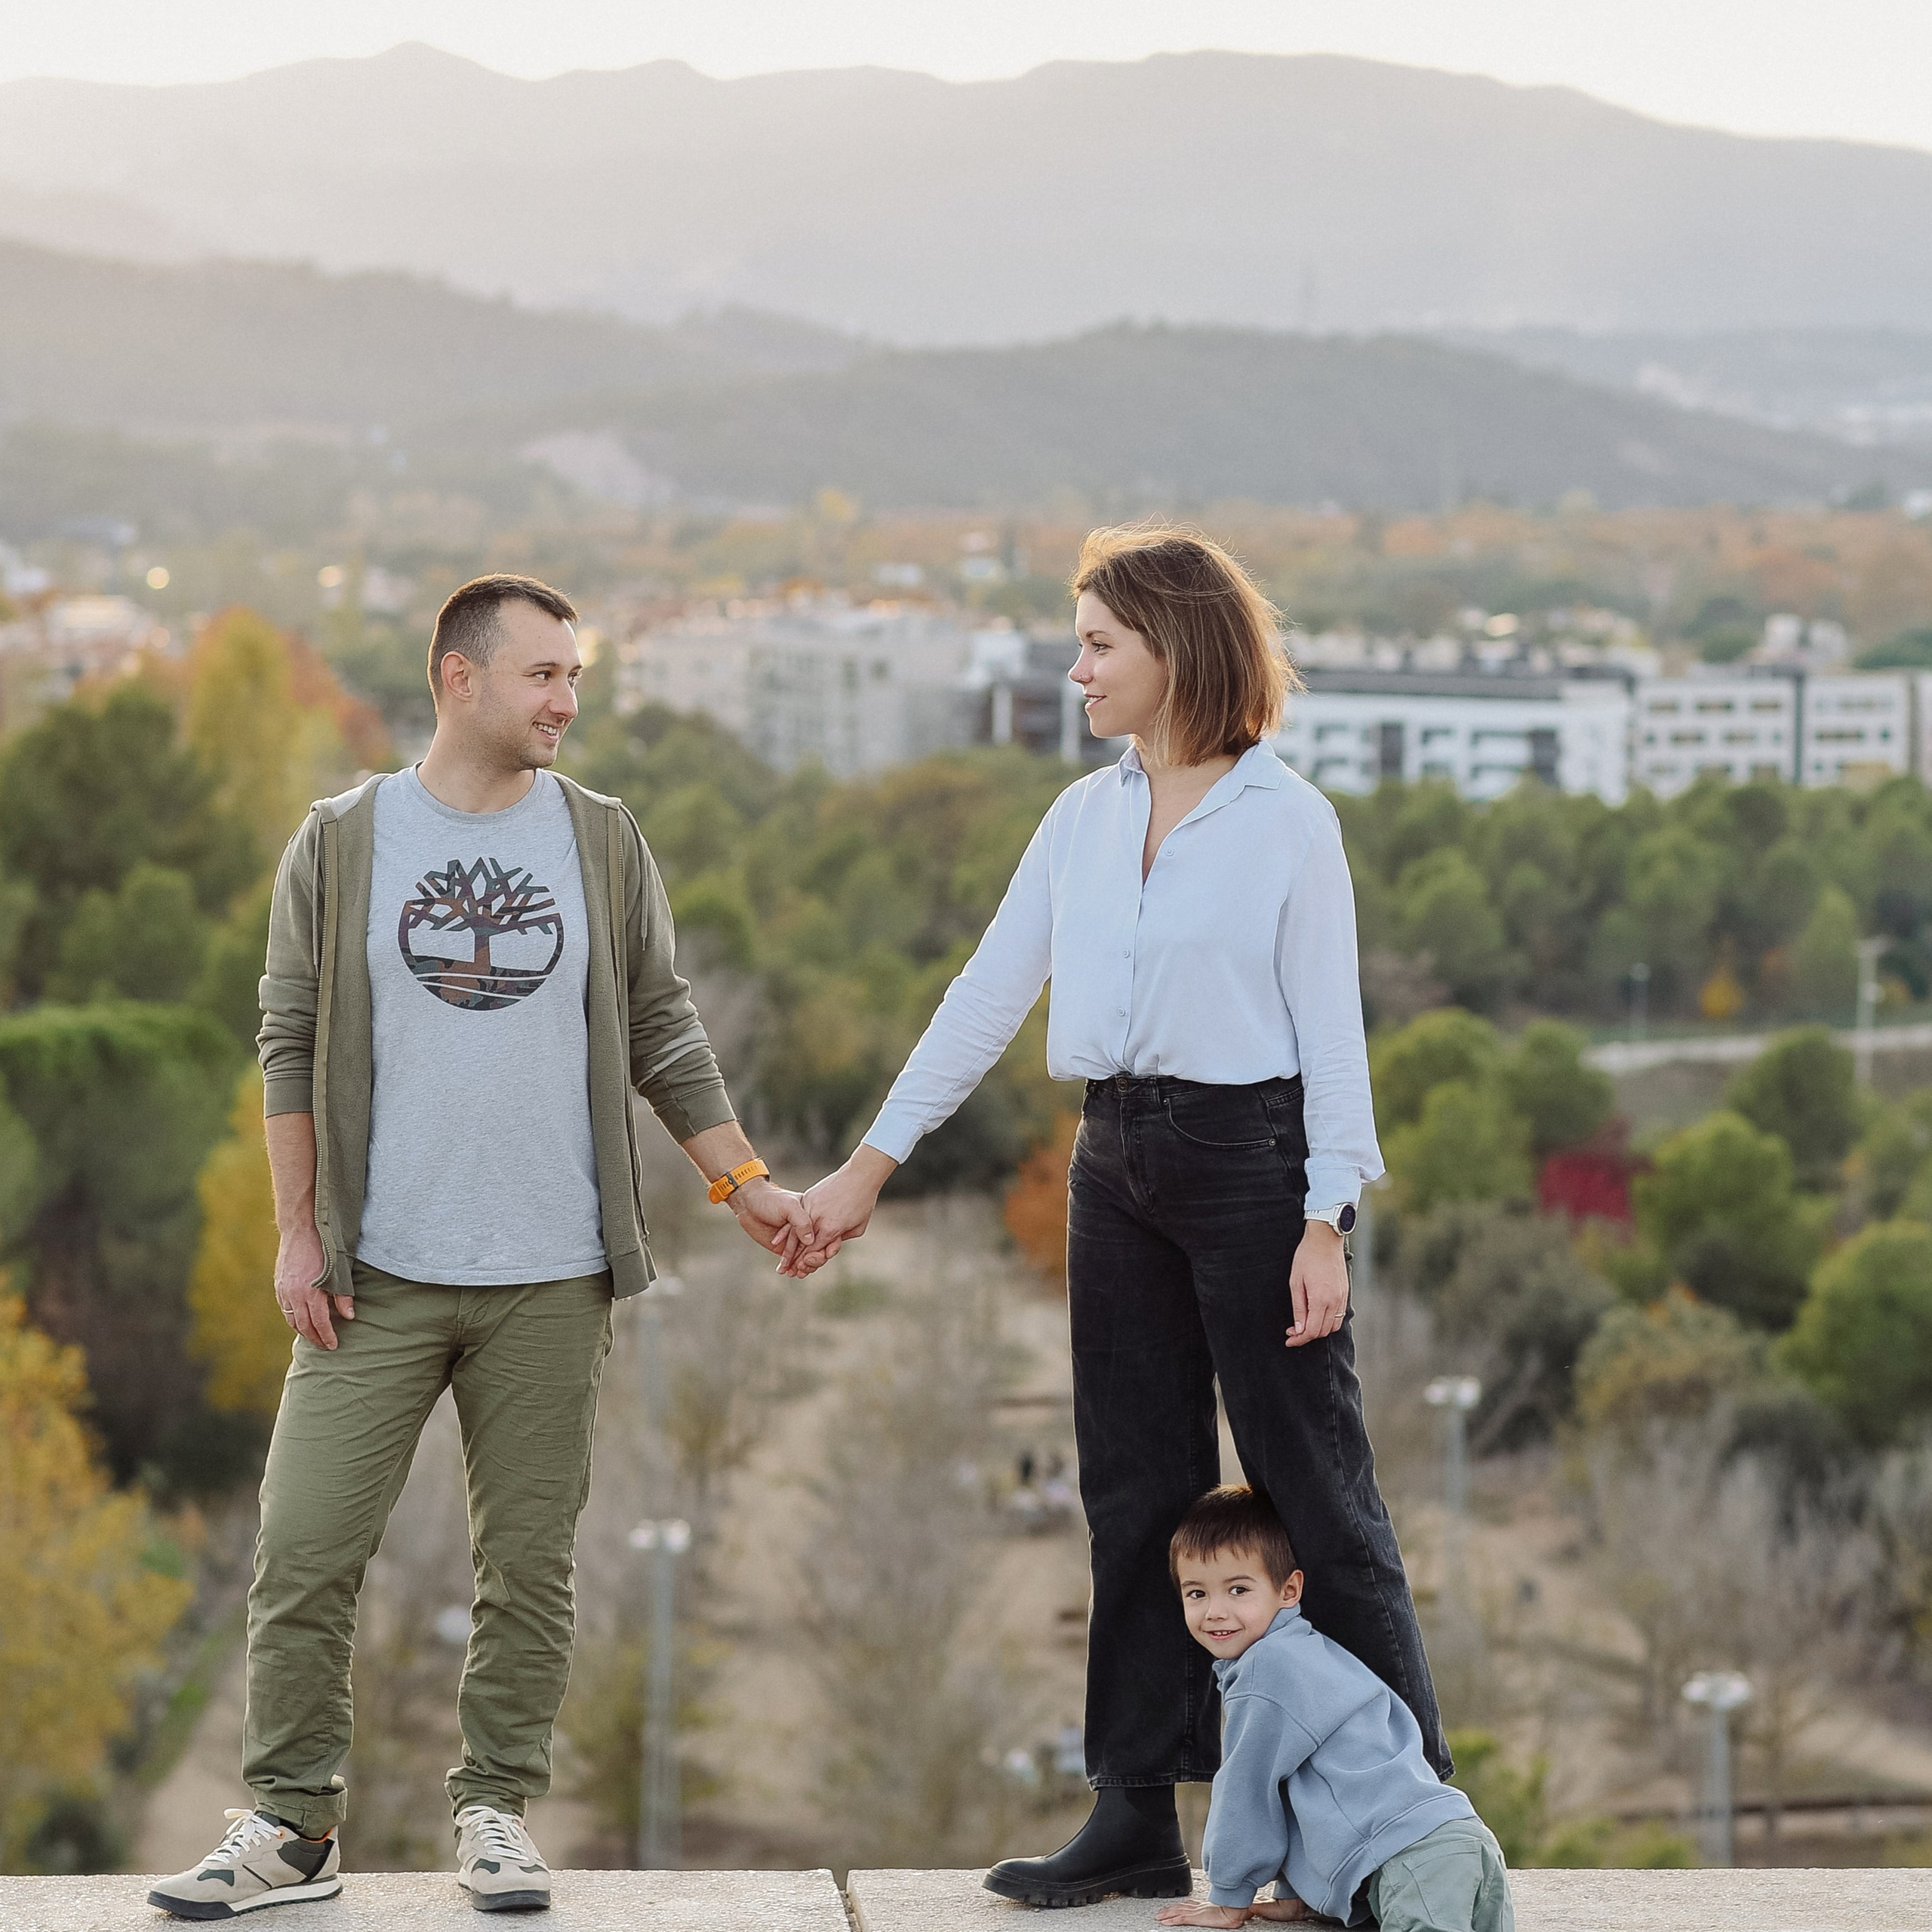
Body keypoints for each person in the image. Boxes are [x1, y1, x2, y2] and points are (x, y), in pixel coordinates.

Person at [790, 528, 1447, 1907]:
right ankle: (1135, 1810)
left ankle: (1414, 1828)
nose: (1076, 670)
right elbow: (984, 997)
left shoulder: (1288, 823)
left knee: (1318, 1499)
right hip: (1114, 1159)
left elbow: (1334, 1037)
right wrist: (866, 1170)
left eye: (1098, 645)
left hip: (1254, 1167)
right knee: (1134, 1494)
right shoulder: (1082, 818)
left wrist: (1327, 1218)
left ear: (1176, 650)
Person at [149, 574, 808, 1919]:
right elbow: (288, 1042)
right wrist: (295, 1233)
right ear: (460, 677)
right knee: (303, 1551)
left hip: (552, 1279)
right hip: (373, 1279)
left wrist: (740, 1180)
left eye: (576, 677)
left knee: (530, 1568)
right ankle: (292, 1828)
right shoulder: (341, 842)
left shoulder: (603, 839)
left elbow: (664, 1026)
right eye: (544, 675)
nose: (568, 700)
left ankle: (497, 1811)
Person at [1156, 1487, 1511, 1932]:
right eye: (1196, 1594)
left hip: (1412, 1855)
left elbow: (1247, 1791)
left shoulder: (1266, 1669)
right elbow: (1303, 1791)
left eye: (1238, 1589)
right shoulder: (1310, 1653)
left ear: (1289, 1590)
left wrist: (1229, 1898)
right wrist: (1296, 1897)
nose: (1215, 1611)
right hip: (1456, 1837)